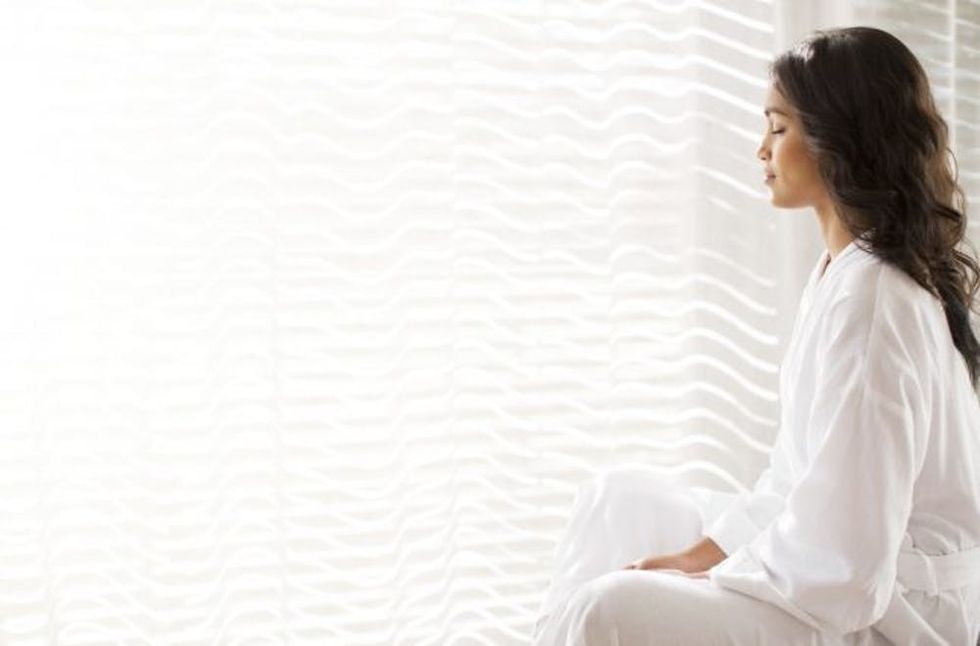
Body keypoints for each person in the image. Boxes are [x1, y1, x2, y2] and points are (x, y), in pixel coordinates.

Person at [532, 26, 980, 645]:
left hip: (891, 612)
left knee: (607, 610)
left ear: (836, 139)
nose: (760, 150)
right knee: (617, 499)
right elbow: (798, 481)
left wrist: (718, 576)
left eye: (777, 127)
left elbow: (846, 559)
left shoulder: (875, 299)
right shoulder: (843, 276)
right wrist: (703, 553)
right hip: (842, 563)